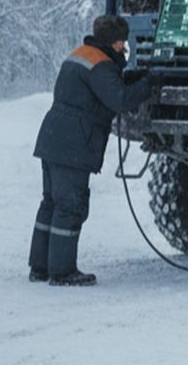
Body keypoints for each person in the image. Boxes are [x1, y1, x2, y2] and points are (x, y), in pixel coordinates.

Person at [28, 15, 154, 286]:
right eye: (122, 42)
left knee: (51, 203)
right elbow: (120, 99)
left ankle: (40, 267)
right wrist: (149, 84)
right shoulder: (101, 65)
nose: (124, 47)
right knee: (70, 205)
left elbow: (101, 87)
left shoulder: (81, 54)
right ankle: (62, 272)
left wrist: (129, 78)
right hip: (74, 144)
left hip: (53, 137)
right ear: (115, 41)